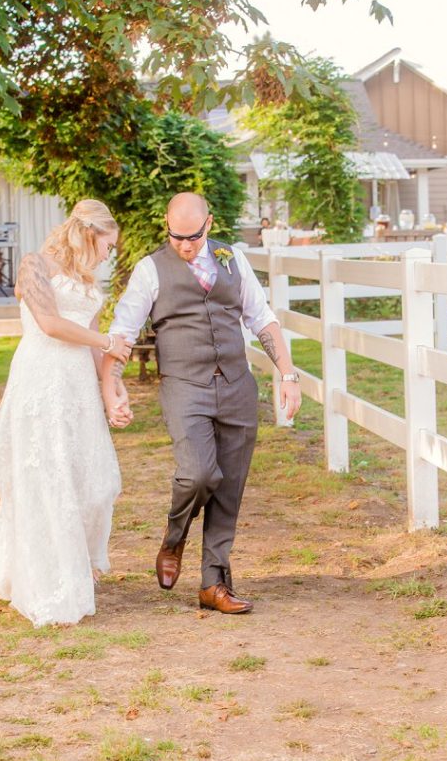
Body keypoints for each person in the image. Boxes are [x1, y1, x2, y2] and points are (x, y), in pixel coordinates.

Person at [104, 193, 301, 614]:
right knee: (197, 474)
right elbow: (122, 330)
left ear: (208, 225)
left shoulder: (233, 259)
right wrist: (112, 385)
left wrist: (287, 374)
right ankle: (174, 540)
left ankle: (214, 583)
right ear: (167, 226)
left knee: (229, 486)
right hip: (184, 385)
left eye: (193, 237)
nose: (185, 246)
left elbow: (262, 318)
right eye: (176, 237)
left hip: (236, 385)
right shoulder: (150, 269)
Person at [0, 199, 134, 627]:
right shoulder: (34, 265)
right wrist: (107, 341)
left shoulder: (89, 283)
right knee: (47, 478)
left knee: (92, 482)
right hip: (41, 381)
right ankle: (52, 580)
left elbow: (90, 345)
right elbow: (50, 323)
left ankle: (75, 562)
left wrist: (112, 392)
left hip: (77, 389)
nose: (111, 254)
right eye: (109, 245)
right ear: (90, 235)